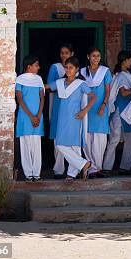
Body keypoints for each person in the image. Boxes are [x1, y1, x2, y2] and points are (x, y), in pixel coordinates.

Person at [50, 57, 96, 182]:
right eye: (66, 67)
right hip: (62, 118)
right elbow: (47, 87)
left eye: (71, 68)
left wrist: (84, 111)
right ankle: (83, 164)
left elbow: (93, 97)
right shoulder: (60, 83)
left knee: (74, 145)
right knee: (59, 144)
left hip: (75, 117)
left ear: (76, 69)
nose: (68, 70)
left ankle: (71, 174)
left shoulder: (81, 84)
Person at [103, 51, 131, 174]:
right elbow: (123, 93)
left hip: (125, 110)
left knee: (125, 139)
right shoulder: (122, 76)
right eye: (130, 60)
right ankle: (108, 168)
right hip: (121, 111)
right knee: (116, 139)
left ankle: (120, 167)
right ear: (124, 61)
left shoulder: (123, 74)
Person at [80, 47, 112, 178]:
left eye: (98, 56)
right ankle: (90, 167)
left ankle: (97, 167)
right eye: (93, 56)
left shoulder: (105, 71)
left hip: (100, 107)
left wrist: (104, 104)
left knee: (99, 138)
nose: (96, 58)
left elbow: (108, 90)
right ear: (88, 57)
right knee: (87, 138)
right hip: (86, 107)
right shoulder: (82, 71)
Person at [15, 55, 45, 181]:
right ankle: (28, 174)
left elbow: (42, 98)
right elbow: (20, 100)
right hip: (25, 116)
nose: (39, 67)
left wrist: (38, 115)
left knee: (36, 145)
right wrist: (32, 116)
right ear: (29, 66)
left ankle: (36, 174)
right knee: (26, 144)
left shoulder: (39, 79)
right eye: (36, 65)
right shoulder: (19, 79)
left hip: (37, 116)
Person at [46, 43, 74, 179]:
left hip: (72, 107)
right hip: (58, 104)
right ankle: (58, 169)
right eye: (62, 53)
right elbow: (50, 86)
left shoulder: (76, 69)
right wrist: (64, 83)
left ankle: (73, 169)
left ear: (72, 54)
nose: (64, 55)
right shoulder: (55, 67)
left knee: (71, 138)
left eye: (67, 53)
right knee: (58, 137)